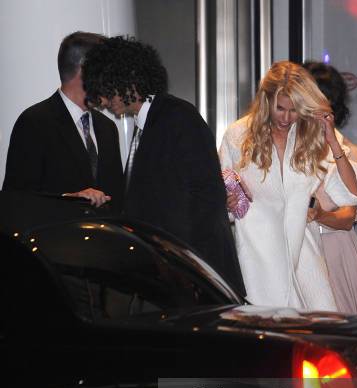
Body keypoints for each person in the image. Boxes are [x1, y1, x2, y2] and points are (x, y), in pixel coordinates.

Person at [81, 36, 245, 295]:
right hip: (179, 275)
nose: (101, 100)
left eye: (103, 87)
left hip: (194, 277)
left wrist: (185, 274)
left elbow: (204, 203)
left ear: (127, 78)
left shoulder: (177, 118)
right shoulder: (151, 124)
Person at [219, 60, 357, 310]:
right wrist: (227, 203)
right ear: (266, 101)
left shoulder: (312, 134)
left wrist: (332, 140)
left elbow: (351, 195)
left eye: (294, 110)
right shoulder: (238, 135)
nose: (286, 118)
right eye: (280, 108)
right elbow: (219, 194)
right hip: (255, 266)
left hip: (306, 265)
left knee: (315, 342)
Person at [2, 31, 123, 212]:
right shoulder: (34, 122)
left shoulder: (108, 127)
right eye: (105, 71)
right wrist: (69, 199)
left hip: (105, 238)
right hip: (55, 238)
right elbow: (15, 199)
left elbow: (117, 199)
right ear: (85, 69)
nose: (112, 81)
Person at [303, 61, 357, 315]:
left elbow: (346, 217)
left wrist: (316, 213)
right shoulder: (281, 144)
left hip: (334, 250)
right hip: (296, 248)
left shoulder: (346, 149)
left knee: (338, 336)